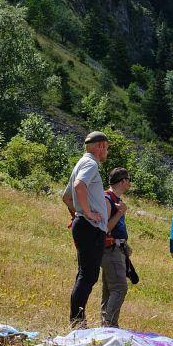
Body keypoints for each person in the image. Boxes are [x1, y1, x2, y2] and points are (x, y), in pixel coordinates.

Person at [62, 131, 110, 328]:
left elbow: (67, 197)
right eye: (106, 147)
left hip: (83, 225)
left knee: (85, 274)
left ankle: (77, 321)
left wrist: (78, 214)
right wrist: (88, 214)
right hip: (90, 227)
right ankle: (77, 323)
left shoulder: (81, 162)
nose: (106, 151)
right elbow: (79, 186)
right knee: (88, 276)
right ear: (99, 147)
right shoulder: (90, 164)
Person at [100, 167, 132, 328]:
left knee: (109, 290)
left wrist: (125, 244)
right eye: (128, 180)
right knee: (119, 288)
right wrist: (120, 212)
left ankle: (105, 325)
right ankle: (110, 325)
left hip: (116, 249)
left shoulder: (115, 199)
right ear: (123, 181)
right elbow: (105, 227)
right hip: (109, 250)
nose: (130, 184)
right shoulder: (107, 199)